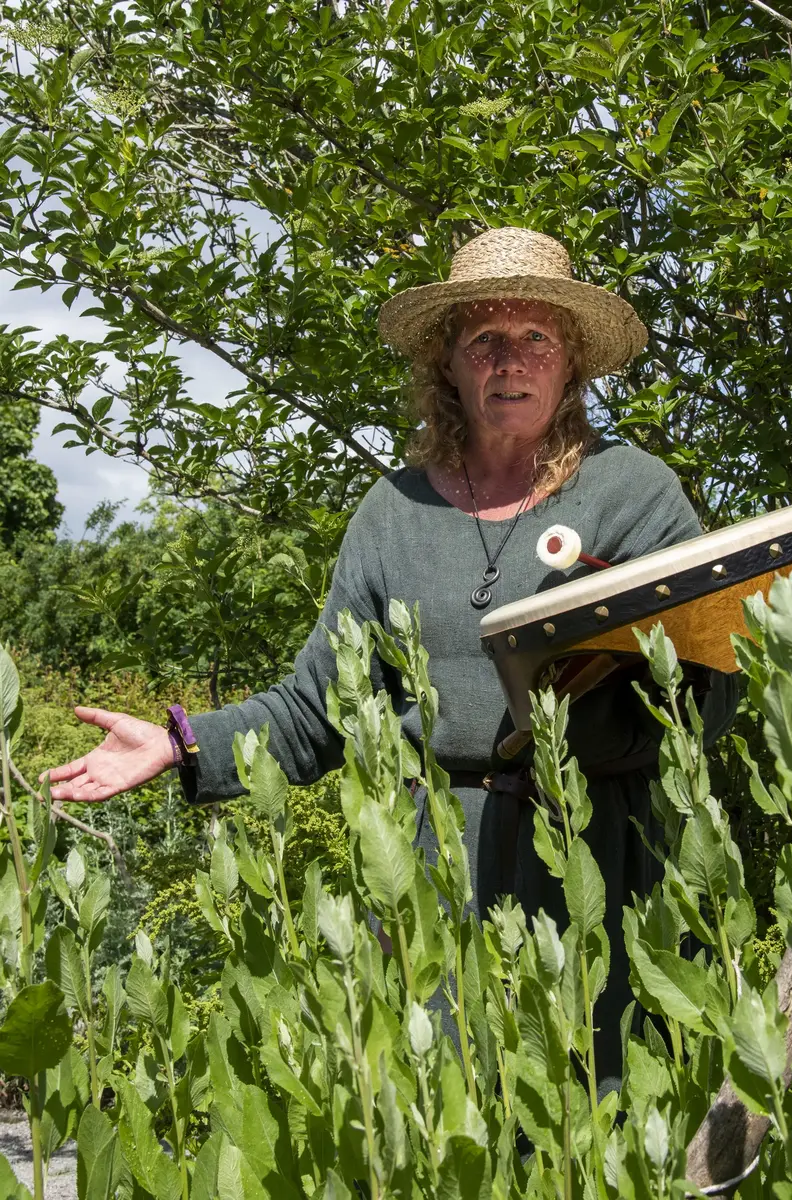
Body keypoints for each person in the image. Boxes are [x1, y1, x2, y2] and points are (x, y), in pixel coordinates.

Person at [45, 226, 737, 1088]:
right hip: (435, 868)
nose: (510, 361)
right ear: (448, 362)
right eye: (484, 339)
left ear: (572, 365)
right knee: (446, 1119)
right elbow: (318, 708)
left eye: (535, 339)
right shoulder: (394, 511)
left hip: (595, 855)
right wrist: (183, 744)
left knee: (595, 1117)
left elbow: (701, 686)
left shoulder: (635, 493)